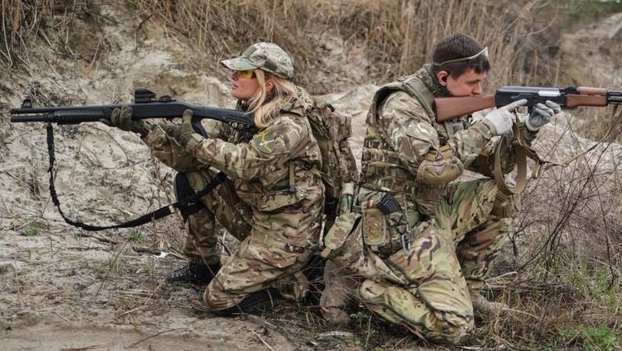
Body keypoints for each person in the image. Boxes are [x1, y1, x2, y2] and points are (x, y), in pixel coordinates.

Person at [320, 33, 560, 343]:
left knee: (500, 192)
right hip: (395, 222)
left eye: (481, 83)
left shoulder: (450, 102)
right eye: (472, 83)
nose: (479, 91)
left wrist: (526, 130)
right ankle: (366, 289)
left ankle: (469, 290)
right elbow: (432, 169)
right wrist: (486, 127)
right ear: (444, 77)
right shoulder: (402, 104)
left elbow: (491, 166)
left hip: (430, 209)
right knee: (455, 327)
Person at [105, 41, 325, 314]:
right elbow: (193, 160)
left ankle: (288, 282)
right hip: (256, 216)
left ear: (267, 83)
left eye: (244, 73)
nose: (234, 76)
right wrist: (146, 131)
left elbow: (246, 163)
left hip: (286, 234)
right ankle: (202, 265)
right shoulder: (246, 114)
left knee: (217, 300)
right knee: (191, 177)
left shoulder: (289, 124)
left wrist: (194, 141)